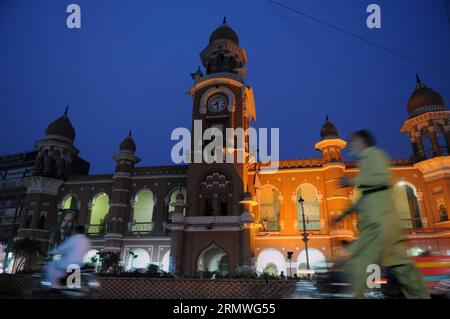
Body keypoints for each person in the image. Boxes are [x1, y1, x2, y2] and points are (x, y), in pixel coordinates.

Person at [333, 129, 429, 299]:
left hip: (383, 223)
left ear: (362, 142)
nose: (350, 146)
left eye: (353, 142)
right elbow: (363, 198)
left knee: (403, 269)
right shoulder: (364, 164)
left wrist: (352, 181)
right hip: (374, 227)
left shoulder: (375, 155)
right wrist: (342, 216)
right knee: (360, 263)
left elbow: (383, 179)